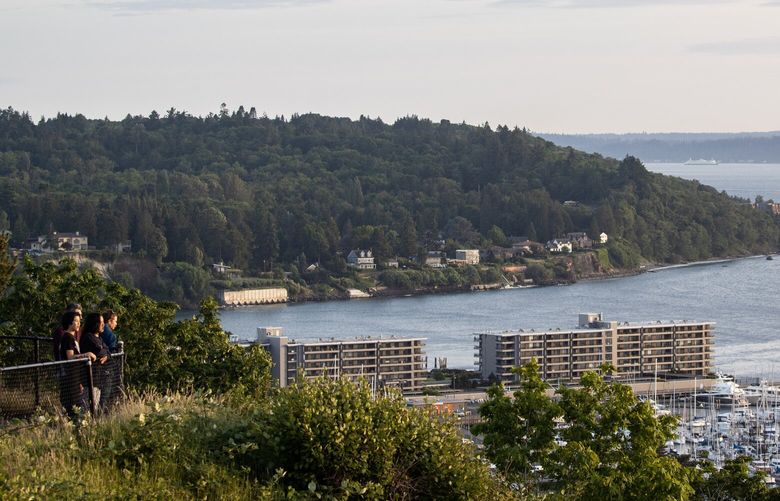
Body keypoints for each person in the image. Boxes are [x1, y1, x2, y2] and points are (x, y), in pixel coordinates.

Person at [58, 310, 94, 418]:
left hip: (75, 377)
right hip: (70, 378)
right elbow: (70, 357)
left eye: (79, 321)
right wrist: (86, 355)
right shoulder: (68, 337)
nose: (78, 324)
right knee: (74, 407)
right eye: (76, 321)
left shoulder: (72, 337)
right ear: (69, 322)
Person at [81, 312, 113, 412]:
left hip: (97, 380)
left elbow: (107, 351)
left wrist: (107, 356)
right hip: (90, 380)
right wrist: (105, 353)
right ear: (94, 323)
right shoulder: (88, 337)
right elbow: (100, 351)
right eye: (101, 322)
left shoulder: (99, 337)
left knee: (94, 408)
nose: (103, 325)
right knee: (88, 409)